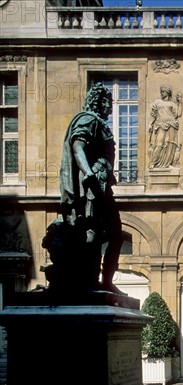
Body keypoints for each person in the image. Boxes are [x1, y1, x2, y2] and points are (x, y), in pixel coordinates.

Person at [57, 82, 124, 294]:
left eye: (110, 102)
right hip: (93, 186)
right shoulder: (88, 119)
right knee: (92, 231)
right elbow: (78, 147)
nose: (109, 107)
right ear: (96, 101)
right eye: (105, 101)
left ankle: (105, 281)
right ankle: (90, 280)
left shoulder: (100, 124)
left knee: (115, 235)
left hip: (103, 185)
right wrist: (88, 173)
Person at [148, 85, 182, 168]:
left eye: (163, 92)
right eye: (161, 92)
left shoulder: (172, 104)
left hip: (171, 125)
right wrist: (150, 123)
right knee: (159, 144)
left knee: (170, 144)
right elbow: (154, 114)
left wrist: (180, 102)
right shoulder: (157, 102)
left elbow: (178, 114)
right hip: (160, 125)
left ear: (167, 92)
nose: (161, 93)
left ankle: (168, 163)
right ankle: (153, 162)